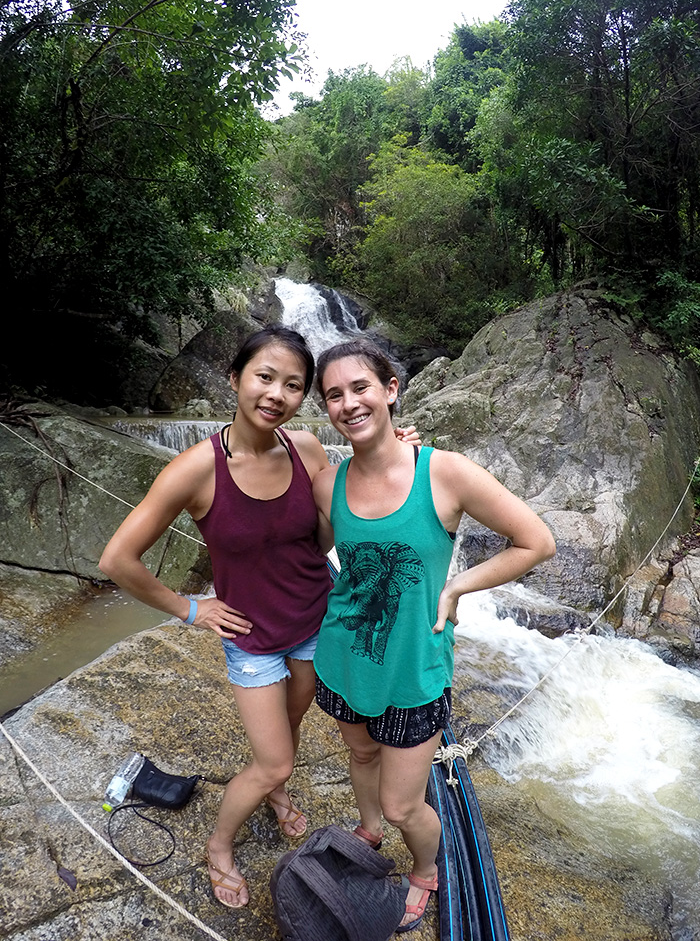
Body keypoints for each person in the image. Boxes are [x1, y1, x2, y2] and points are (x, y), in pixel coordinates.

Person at [99, 325, 418, 911]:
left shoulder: (308, 450)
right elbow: (117, 559)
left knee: (287, 736)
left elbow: (342, 514)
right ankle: (220, 846)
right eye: (264, 377)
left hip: (315, 623)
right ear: (235, 379)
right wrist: (190, 606)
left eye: (293, 385)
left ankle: (276, 795)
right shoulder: (197, 469)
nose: (276, 393)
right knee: (274, 760)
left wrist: (395, 447)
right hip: (252, 640)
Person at [312, 338, 556, 933]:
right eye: (334, 395)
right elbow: (313, 553)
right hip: (343, 657)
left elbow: (536, 541)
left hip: (414, 669)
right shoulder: (327, 484)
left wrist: (455, 589)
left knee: (404, 804)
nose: (349, 403)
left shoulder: (443, 471)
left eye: (361, 387)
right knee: (360, 752)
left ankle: (426, 868)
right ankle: (367, 830)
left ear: (391, 390)